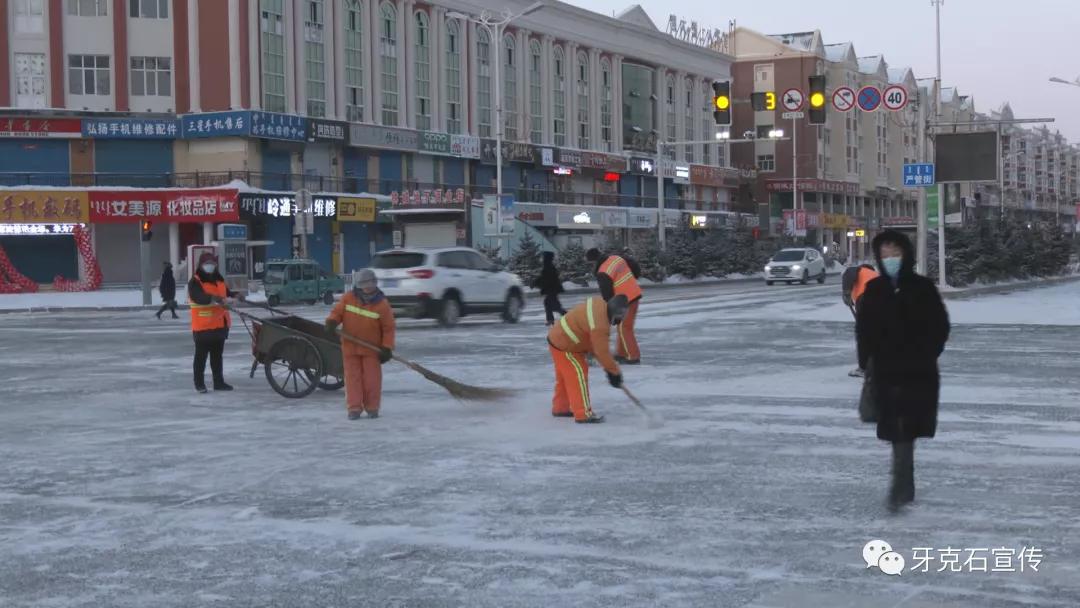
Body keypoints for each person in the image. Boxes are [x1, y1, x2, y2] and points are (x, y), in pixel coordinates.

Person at [856, 230, 950, 512]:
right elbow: (863, 331)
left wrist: (925, 354)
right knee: (898, 430)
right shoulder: (874, 289)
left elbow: (940, 327)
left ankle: (900, 486)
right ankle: (902, 484)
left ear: (905, 254)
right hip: (885, 372)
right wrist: (866, 362)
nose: (890, 259)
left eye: (895, 253)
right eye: (884, 255)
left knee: (905, 429)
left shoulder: (922, 287)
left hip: (917, 373)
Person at [547, 294, 629, 424]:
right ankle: (583, 414)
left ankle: (560, 407)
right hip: (565, 344)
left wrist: (607, 367)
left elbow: (594, 341)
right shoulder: (601, 325)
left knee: (565, 377)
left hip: (558, 338)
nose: (617, 322)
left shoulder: (598, 303)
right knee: (578, 373)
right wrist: (614, 372)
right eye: (618, 319)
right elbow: (601, 351)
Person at [326, 269, 396, 420]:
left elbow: (389, 328)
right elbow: (337, 312)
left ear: (375, 284)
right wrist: (332, 322)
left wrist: (386, 347)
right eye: (364, 284)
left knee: (372, 380)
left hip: (372, 350)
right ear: (358, 285)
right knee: (352, 379)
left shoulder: (382, 304)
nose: (367, 287)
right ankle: (354, 408)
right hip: (350, 347)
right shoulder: (348, 298)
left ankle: (372, 408)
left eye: (370, 283)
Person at [188, 252, 241, 393]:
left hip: (219, 325)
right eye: (207, 264)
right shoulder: (195, 281)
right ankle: (199, 384)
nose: (210, 266)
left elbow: (226, 293)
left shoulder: (219, 279)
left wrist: (235, 295)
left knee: (217, 357)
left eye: (212, 264)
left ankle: (219, 382)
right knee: (201, 357)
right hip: (203, 327)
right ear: (201, 265)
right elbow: (199, 297)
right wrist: (214, 298)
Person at [586, 248, 643, 364]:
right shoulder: (615, 258)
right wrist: (634, 277)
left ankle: (633, 356)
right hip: (634, 294)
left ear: (593, 261)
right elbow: (633, 264)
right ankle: (621, 354)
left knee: (624, 328)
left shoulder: (603, 272)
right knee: (622, 326)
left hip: (626, 300)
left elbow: (607, 295)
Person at [842, 263, 880, 377]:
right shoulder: (875, 275)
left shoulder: (859, 270)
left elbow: (849, 273)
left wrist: (846, 292)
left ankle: (863, 368)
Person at [533, 251, 566, 327]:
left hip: (551, 288)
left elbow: (545, 278)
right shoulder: (548, 265)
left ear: (546, 257)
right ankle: (551, 320)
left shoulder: (548, 266)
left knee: (554, 305)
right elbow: (544, 277)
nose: (541, 259)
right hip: (552, 288)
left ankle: (567, 316)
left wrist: (536, 282)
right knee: (549, 304)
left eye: (543, 257)